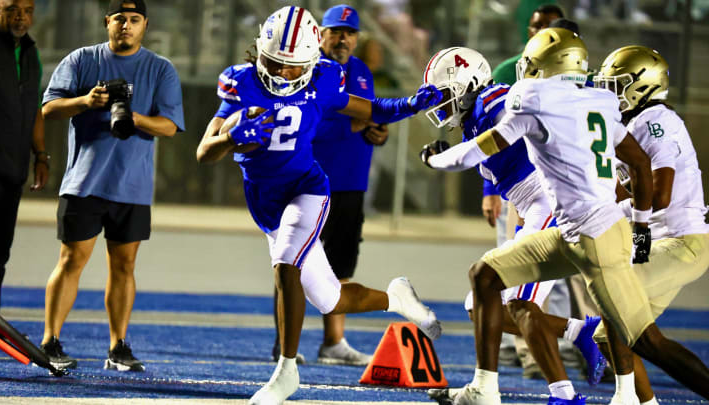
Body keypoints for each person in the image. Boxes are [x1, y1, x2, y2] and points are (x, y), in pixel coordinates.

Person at [425, 27, 709, 404]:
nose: (524, 71)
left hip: (604, 234)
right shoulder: (594, 104)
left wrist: (434, 159)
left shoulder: (532, 99)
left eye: (532, 63)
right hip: (577, 230)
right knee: (486, 276)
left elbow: (650, 185)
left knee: (644, 339)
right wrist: (636, 227)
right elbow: (635, 169)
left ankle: (590, 394)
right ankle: (492, 388)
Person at [196, 7, 442, 404]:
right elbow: (203, 153)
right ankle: (397, 299)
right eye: (275, 62)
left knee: (286, 266)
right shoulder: (239, 82)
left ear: (312, 61)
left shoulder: (325, 80)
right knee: (329, 298)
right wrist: (228, 138)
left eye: (292, 67)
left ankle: (286, 371)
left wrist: (411, 104)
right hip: (264, 201)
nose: (281, 73)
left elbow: (370, 109)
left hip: (307, 189)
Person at [420, 47, 605, 405]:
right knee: (479, 303)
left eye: (444, 94)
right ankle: (578, 331)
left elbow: (524, 135)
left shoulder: (495, 100)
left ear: (468, 84)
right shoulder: (475, 116)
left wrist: (435, 159)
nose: (439, 104)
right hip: (533, 207)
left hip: (552, 202)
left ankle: (563, 394)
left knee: (519, 305)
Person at [40, 0, 185, 372]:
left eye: (134, 19)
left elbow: (169, 126)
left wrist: (133, 116)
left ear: (145, 25)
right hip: (84, 181)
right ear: (107, 22)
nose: (126, 25)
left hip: (132, 187)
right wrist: (86, 101)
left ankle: (118, 347)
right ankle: (49, 342)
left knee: (124, 266)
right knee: (72, 260)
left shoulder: (160, 68)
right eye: (120, 18)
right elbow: (49, 108)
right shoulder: (82, 60)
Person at [270, 4, 389, 366]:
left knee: (340, 266)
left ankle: (334, 342)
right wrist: (354, 125)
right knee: (290, 264)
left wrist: (378, 133)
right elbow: (307, 125)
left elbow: (368, 118)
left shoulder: (361, 71)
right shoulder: (304, 71)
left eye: (349, 32)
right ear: (320, 34)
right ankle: (283, 344)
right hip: (307, 181)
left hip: (351, 182)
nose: (342, 39)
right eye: (335, 31)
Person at [592, 45, 709, 405]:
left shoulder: (655, 121)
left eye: (619, 84)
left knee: (617, 307)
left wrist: (617, 205)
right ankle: (644, 402)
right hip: (659, 241)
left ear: (642, 86)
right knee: (610, 335)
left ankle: (629, 399)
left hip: (681, 241)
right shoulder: (633, 122)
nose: (611, 92)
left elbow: (659, 195)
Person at [486, 4, 565, 374]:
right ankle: (531, 347)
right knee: (499, 281)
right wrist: (489, 188)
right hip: (524, 188)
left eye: (547, 27)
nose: (538, 32)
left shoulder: (576, 79)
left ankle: (569, 344)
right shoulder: (508, 71)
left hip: (561, 193)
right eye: (535, 26)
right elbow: (489, 137)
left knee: (555, 281)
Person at [0, 0, 48, 315]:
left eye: (27, 10)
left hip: (13, 171)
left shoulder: (30, 52)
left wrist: (41, 155)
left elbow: (35, 108)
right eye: (12, 8)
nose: (20, 17)